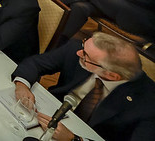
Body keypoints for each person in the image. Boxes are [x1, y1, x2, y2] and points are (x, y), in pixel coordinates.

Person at [12, 32, 155, 141]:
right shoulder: (79, 48)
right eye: (84, 46)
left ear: (112, 75)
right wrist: (22, 85)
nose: (79, 53)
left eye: (85, 56)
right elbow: (36, 63)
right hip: (42, 116)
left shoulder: (148, 104)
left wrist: (73, 139)